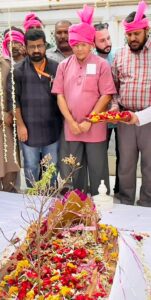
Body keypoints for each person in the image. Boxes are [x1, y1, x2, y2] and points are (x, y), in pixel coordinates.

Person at [52, 5, 116, 196]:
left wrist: (90, 120)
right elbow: (59, 95)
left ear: (90, 44)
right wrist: (71, 122)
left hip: (94, 127)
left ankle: (101, 204)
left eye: (83, 44)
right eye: (76, 44)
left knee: (98, 169)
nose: (79, 48)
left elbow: (106, 94)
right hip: (72, 128)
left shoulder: (101, 65)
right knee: (75, 169)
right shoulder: (63, 65)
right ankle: (78, 205)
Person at [7, 29, 62, 187]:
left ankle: (49, 196)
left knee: (51, 167)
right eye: (32, 47)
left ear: (45, 45)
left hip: (53, 127)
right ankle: (33, 197)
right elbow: (13, 101)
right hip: (28, 129)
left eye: (39, 46)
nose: (36, 50)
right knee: (31, 166)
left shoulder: (56, 68)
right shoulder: (17, 70)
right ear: (26, 47)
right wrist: (21, 125)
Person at [112, 0, 151, 206]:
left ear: (147, 30)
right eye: (129, 34)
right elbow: (114, 89)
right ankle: (126, 204)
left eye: (136, 33)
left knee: (149, 166)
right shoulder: (120, 55)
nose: (132, 38)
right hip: (125, 121)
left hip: (149, 121)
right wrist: (116, 108)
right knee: (125, 166)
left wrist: (141, 116)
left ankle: (147, 205)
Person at [94, 22, 119, 195]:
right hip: (100, 115)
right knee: (100, 154)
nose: (107, 43)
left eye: (108, 38)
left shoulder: (118, 55)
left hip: (120, 114)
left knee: (123, 154)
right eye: (102, 40)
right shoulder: (91, 60)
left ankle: (120, 189)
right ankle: (101, 189)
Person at [0, 57, 20, 192]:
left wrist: (11, 113)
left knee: (10, 170)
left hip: (6, 127)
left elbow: (14, 95)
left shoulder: (7, 65)